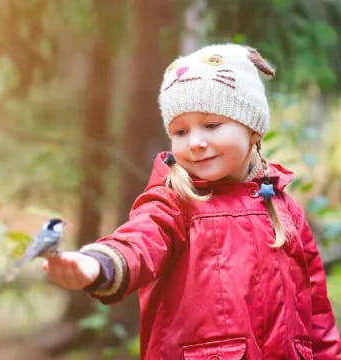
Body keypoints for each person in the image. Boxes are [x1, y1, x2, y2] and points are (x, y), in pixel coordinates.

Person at [42, 43, 341, 359]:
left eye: (211, 125)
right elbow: (140, 240)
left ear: (253, 129)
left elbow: (318, 316)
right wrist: (100, 263)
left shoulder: (285, 209)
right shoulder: (175, 203)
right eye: (180, 131)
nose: (196, 142)